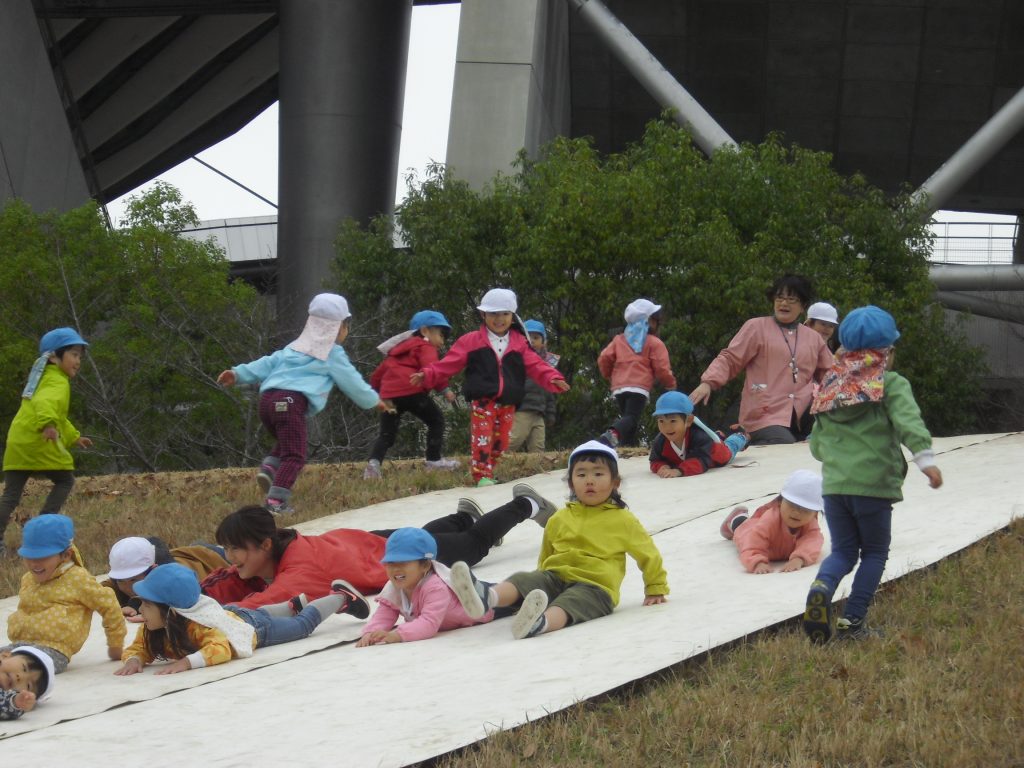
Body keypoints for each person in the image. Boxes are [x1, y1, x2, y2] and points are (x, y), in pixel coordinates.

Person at [803, 306, 943, 643]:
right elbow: (909, 422)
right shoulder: (891, 384)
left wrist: (838, 459)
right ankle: (852, 623)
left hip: (835, 488)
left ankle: (822, 586)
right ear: (887, 352)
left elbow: (817, 446)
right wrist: (925, 461)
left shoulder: (830, 385)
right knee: (875, 553)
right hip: (873, 488)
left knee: (843, 553)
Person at [449, 441, 669, 640]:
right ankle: (487, 597)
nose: (589, 480)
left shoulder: (623, 520)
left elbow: (647, 554)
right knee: (523, 579)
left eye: (598, 474)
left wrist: (655, 586)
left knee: (572, 603)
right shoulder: (560, 518)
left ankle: (540, 623)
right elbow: (547, 554)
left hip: (596, 587)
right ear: (571, 484)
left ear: (615, 483)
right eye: (581, 475)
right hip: (555, 577)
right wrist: (536, 583)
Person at [202, 487, 558, 608]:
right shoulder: (276, 551)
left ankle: (525, 505)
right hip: (367, 542)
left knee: (473, 546)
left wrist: (220, 614)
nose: (231, 559)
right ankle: (463, 517)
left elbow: (266, 601)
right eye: (227, 549)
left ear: (265, 544)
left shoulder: (299, 570)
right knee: (428, 534)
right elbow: (222, 581)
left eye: (237, 550)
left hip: (393, 555)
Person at [217, 293, 391, 514]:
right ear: (338, 327)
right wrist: (373, 400)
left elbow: (267, 363)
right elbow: (352, 381)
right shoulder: (332, 353)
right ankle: (276, 502)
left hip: (267, 403)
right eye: (346, 326)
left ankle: (270, 467)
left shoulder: (294, 346)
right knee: (295, 454)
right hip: (291, 402)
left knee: (288, 439)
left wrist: (238, 373)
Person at [411, 288, 569, 487]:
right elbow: (449, 363)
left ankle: (489, 470)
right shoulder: (471, 340)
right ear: (483, 314)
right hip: (483, 398)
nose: (499, 319)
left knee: (501, 442)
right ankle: (481, 474)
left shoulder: (519, 342)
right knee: (482, 438)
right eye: (493, 314)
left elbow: (535, 364)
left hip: (508, 400)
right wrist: (428, 374)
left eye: (505, 314)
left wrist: (553, 378)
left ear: (513, 317)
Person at [114, 564, 368, 676]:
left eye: (147, 604)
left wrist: (187, 662)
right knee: (261, 613)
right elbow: (140, 648)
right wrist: (135, 659)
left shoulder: (198, 627)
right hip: (235, 616)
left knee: (302, 626)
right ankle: (291, 605)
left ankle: (340, 597)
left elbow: (220, 648)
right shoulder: (154, 628)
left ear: (171, 612)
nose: (141, 611)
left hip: (255, 629)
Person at [690, 275, 833, 445]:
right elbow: (730, 358)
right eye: (779, 298)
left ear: (803, 306)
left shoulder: (813, 338)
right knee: (783, 444)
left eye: (791, 299)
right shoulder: (756, 327)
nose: (784, 303)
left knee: (830, 435)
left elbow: (831, 374)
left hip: (803, 414)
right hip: (765, 415)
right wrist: (708, 382)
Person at [0, 327, 93, 558]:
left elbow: (57, 415)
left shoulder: (41, 379)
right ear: (53, 357)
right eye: (73, 354)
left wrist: (73, 437)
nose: (78, 361)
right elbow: (46, 405)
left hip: (19, 440)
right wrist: (48, 425)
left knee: (11, 494)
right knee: (65, 480)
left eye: (80, 356)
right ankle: (40, 530)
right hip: (38, 439)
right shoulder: (57, 382)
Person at [5, 515, 125, 673]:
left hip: (54, 650)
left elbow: (109, 604)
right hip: (21, 645)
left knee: (16, 670)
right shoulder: (29, 578)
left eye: (43, 557)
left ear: (66, 555)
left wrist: (115, 644)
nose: (34, 564)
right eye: (29, 557)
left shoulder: (77, 579)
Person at [356, 528, 494, 646]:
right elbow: (384, 615)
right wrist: (370, 633)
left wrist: (397, 635)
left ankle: (512, 591)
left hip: (486, 607)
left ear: (426, 565)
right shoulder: (394, 587)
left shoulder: (435, 586)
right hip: (469, 609)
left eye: (403, 563)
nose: (395, 569)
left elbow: (429, 624)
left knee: (510, 595)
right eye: (390, 563)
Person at [364, 310, 459, 480]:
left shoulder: (394, 352)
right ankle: (434, 460)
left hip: (390, 397)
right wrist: (445, 390)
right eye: (440, 335)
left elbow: (378, 375)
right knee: (436, 421)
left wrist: (374, 391)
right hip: (412, 391)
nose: (442, 342)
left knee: (387, 434)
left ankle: (373, 464)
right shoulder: (425, 345)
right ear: (425, 331)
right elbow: (432, 369)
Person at [597, 299, 677, 447]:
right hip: (638, 386)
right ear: (650, 321)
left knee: (628, 418)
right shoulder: (653, 342)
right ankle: (612, 434)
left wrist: (609, 375)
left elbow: (604, 358)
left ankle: (628, 446)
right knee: (632, 417)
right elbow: (661, 367)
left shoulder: (619, 340)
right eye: (656, 319)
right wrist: (670, 383)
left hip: (619, 387)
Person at [720, 469, 824, 574]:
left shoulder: (811, 524)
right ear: (780, 501)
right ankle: (733, 521)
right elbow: (753, 541)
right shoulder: (770, 518)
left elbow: (813, 542)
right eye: (792, 505)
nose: (797, 513)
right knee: (741, 528)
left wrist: (799, 559)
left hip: (777, 549)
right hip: (749, 533)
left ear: (815, 513)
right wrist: (757, 562)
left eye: (805, 509)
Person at [104, 536, 230, 617]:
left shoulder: (176, 576)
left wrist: (136, 604)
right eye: (121, 580)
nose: (128, 587)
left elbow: (179, 599)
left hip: (207, 555)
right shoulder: (120, 579)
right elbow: (100, 590)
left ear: (153, 570)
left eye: (133, 579)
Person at [648, 391, 749, 477]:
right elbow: (655, 460)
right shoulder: (660, 440)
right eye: (661, 421)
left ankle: (741, 436)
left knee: (731, 446)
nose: (667, 428)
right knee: (716, 438)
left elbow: (701, 462)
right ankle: (719, 435)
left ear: (688, 420)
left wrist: (679, 471)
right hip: (707, 444)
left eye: (673, 421)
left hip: (718, 455)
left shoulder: (699, 437)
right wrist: (661, 466)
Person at [507, 320, 560, 453]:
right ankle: (491, 464)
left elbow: (550, 392)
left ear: (544, 342)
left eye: (536, 338)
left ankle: (536, 471)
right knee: (513, 441)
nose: (531, 341)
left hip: (539, 413)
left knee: (538, 449)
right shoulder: (517, 360)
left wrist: (551, 413)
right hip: (523, 409)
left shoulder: (546, 365)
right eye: (527, 337)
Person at [0, 645, 55, 721]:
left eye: (28, 685)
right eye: (24, 668)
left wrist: (15, 702)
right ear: (5, 655)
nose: (21, 678)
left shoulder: (4, 699)